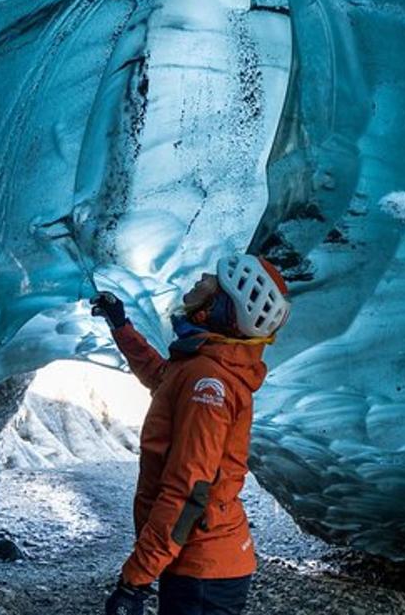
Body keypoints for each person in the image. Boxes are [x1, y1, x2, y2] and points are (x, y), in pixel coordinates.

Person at [91, 253, 291, 615]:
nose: (201, 277)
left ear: (221, 306)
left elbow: (189, 490)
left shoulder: (208, 381)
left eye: (213, 280)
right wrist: (122, 327)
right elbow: (162, 378)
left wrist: (136, 579)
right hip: (202, 560)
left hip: (203, 566)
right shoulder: (202, 365)